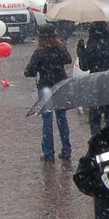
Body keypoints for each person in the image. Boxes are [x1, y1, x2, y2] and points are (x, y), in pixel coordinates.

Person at [24, 28, 73, 162]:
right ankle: (66, 150)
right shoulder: (60, 49)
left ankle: (48, 153)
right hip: (60, 86)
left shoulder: (39, 53)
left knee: (47, 121)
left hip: (46, 87)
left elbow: (30, 71)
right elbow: (68, 60)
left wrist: (30, 72)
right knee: (62, 118)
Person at [77, 20, 109, 137]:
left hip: (96, 86)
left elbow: (84, 66)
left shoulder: (92, 47)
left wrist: (81, 51)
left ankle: (96, 143)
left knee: (95, 119)